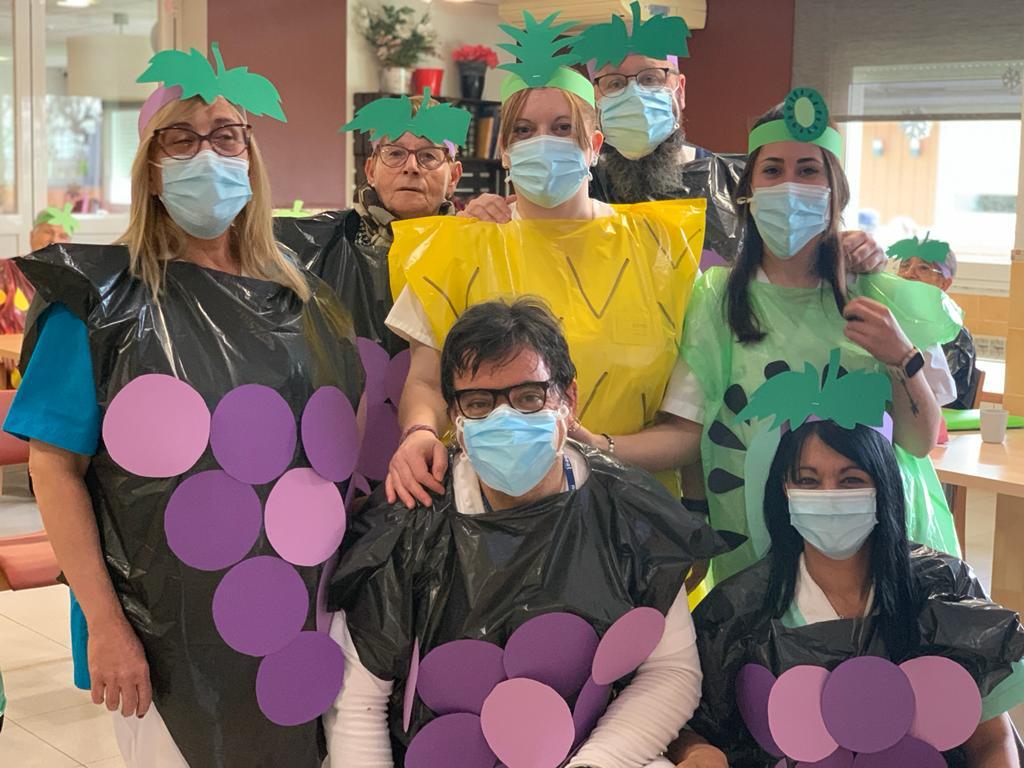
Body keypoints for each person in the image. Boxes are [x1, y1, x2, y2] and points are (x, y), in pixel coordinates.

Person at [3, 44, 362, 767]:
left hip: (301, 616)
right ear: (150, 167)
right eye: (181, 138)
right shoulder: (99, 303)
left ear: (250, 155)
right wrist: (108, 626)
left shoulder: (301, 297)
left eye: (226, 135)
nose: (207, 154)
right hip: (163, 632)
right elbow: (54, 469)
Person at [326, 298, 732, 767]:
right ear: (455, 416)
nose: (506, 419)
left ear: (568, 399)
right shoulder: (412, 520)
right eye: (479, 403)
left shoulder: (628, 510)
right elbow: (357, 705)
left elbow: (671, 670)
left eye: (528, 397)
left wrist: (597, 762)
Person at [384, 10, 706, 508]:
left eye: (562, 128)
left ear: (594, 145)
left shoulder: (662, 249)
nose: (543, 142)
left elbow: (686, 430)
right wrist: (419, 432)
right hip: (489, 516)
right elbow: (426, 380)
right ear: (504, 150)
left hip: (634, 518)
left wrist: (598, 449)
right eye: (524, 130)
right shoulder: (456, 248)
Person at [657, 88, 963, 590]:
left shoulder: (882, 295)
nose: (790, 186)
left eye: (808, 170)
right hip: (757, 543)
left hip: (883, 541)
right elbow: (692, 432)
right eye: (772, 170)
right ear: (748, 189)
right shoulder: (717, 299)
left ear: (835, 189)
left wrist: (900, 356)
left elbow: (918, 441)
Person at [672, 359, 1024, 767]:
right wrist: (697, 751)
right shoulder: (738, 611)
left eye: (850, 480)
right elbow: (686, 725)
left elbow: (993, 740)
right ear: (784, 489)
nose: (829, 495)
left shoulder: (944, 591)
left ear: (883, 487)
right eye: (808, 480)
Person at [573, 2, 885, 274]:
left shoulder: (745, 181)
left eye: (651, 79)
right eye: (614, 84)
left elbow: (798, 260)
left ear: (679, 91)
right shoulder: (579, 187)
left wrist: (851, 250)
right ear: (595, 99)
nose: (635, 95)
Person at [275, 91, 471, 488]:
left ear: (454, 175)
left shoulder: (478, 249)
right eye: (395, 153)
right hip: (333, 457)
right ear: (370, 169)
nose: (411, 167)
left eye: (429, 155)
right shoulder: (316, 245)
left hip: (449, 462)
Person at [890, 235, 980, 410]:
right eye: (905, 265)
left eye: (923, 268)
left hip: (938, 418)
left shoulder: (953, 335)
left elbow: (934, 394)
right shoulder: (892, 319)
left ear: (944, 283)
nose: (909, 274)